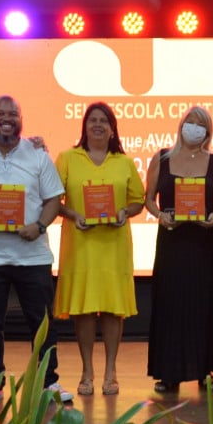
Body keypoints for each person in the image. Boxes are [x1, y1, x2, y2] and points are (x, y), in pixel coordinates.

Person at [0, 95, 73, 405]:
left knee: (42, 322)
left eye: (13, 114)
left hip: (33, 255)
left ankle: (49, 382)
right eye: (0, 113)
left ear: (21, 119)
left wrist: (40, 226)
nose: (6, 119)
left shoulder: (37, 154)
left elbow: (54, 199)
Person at [53, 102, 145, 397]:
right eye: (92, 120)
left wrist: (125, 212)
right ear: (84, 126)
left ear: (112, 128)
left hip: (113, 246)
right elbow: (53, 199)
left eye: (104, 121)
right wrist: (72, 215)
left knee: (112, 309)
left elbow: (138, 200)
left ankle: (111, 372)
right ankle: (86, 372)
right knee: (83, 309)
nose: (97, 125)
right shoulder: (67, 158)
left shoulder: (124, 162)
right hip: (80, 245)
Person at [143, 106, 213, 393]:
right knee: (170, 304)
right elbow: (149, 199)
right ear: (181, 126)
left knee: (203, 305)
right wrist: (160, 215)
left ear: (208, 131)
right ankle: (168, 373)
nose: (194, 128)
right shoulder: (162, 157)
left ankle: (205, 371)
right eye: (189, 122)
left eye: (200, 124)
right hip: (172, 242)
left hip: (203, 244)